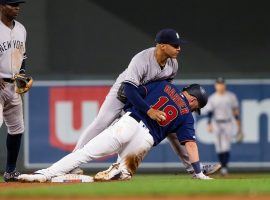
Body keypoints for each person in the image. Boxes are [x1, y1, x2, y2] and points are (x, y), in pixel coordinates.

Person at [71, 28, 220, 177]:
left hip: (147, 96)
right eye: (175, 45)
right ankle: (73, 161)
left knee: (174, 129)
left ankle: (194, 168)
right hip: (124, 92)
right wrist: (149, 110)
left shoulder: (173, 64)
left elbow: (164, 88)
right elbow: (128, 90)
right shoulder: (142, 59)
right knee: (102, 122)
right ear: (162, 45)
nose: (179, 48)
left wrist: (153, 106)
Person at [18, 80, 213, 182]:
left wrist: (129, 106)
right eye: (197, 106)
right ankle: (118, 170)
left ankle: (43, 175)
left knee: (84, 153)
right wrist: (198, 172)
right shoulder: (187, 114)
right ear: (195, 101)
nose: (194, 109)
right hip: (145, 140)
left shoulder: (164, 85)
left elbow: (132, 91)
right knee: (124, 174)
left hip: (129, 123)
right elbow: (190, 144)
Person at [0, 0, 27, 182]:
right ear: (2, 6)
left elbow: (23, 55)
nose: (17, 7)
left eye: (18, 4)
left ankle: (10, 171)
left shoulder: (21, 29)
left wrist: (22, 74)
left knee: (17, 129)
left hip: (13, 85)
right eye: (12, 4)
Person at [206, 77, 243, 176]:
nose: (220, 86)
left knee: (226, 146)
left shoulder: (231, 96)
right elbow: (210, 112)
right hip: (216, 123)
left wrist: (238, 123)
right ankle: (222, 167)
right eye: (218, 84)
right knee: (218, 147)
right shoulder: (212, 98)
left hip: (228, 123)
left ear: (224, 85)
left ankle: (224, 168)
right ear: (216, 86)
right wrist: (209, 124)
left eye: (222, 84)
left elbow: (235, 111)